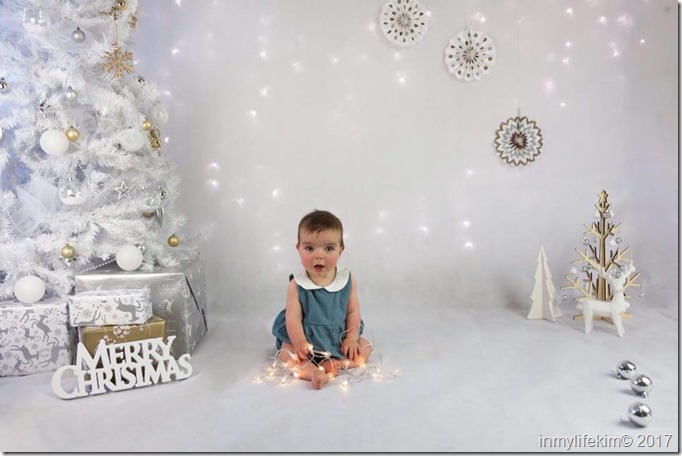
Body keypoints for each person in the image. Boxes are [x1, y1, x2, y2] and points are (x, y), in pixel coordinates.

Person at [272, 210, 373, 389]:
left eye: (328, 249)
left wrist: (351, 338)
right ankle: (314, 372)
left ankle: (337, 364)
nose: (319, 256)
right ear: (298, 248)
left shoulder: (347, 279)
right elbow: (292, 317)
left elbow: (353, 311)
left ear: (340, 249)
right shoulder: (297, 284)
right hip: (305, 339)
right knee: (287, 353)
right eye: (310, 248)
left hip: (338, 339)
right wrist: (299, 342)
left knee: (365, 346)